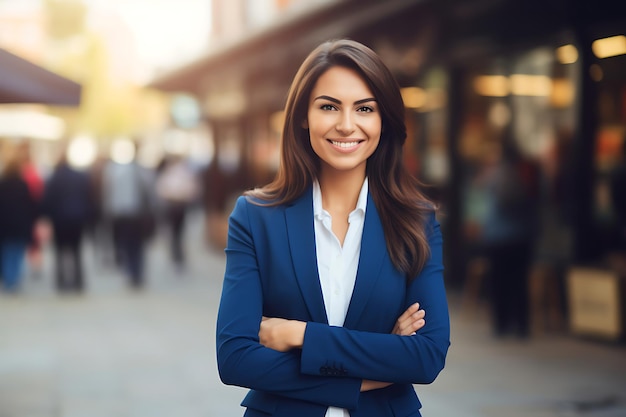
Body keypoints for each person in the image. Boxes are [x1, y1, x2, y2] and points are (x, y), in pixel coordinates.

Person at [216, 39, 450, 417]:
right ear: (303, 116)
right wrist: (380, 360)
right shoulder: (255, 217)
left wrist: (299, 335)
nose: (346, 125)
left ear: (382, 120)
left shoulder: (416, 220)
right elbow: (236, 358)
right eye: (329, 106)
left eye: (364, 108)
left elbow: (426, 356)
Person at [42, 151, 95, 292]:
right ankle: (78, 281)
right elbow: (89, 197)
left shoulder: (54, 177)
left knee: (60, 252)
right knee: (76, 251)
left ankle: (61, 281)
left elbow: (47, 200)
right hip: (77, 218)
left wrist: (45, 216)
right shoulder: (80, 176)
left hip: (59, 220)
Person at [0, 145, 39, 293]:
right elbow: (31, 205)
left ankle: (9, 279)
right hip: (19, 224)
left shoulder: (2, 185)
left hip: (4, 225)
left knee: (6, 252)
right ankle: (14, 279)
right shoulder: (22, 185)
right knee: (16, 252)